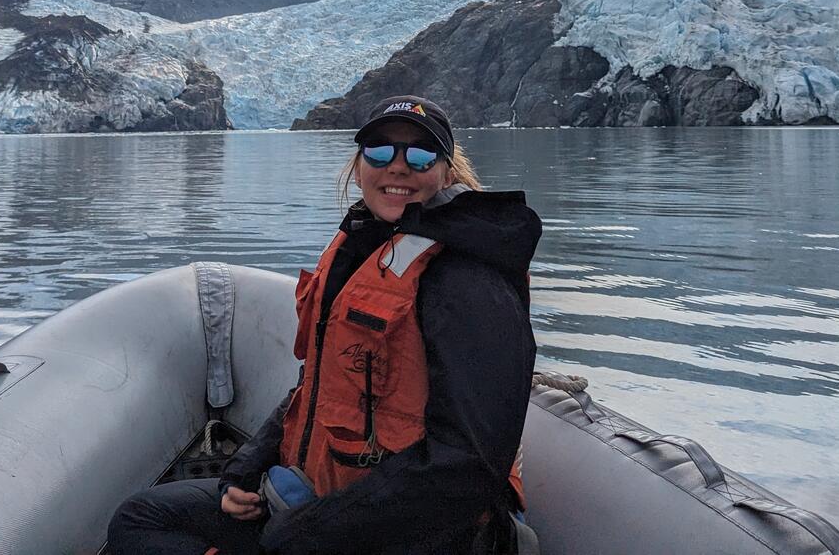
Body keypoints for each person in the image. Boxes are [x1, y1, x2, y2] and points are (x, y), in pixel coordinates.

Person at [107, 94, 542, 554]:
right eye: (379, 151)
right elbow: (318, 382)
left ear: (446, 172)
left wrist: (315, 530)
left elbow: (467, 463)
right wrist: (246, 466)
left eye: (419, 154)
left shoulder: (466, 277)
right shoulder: (367, 249)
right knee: (140, 519)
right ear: (359, 167)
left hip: (418, 529)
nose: (398, 167)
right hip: (327, 494)